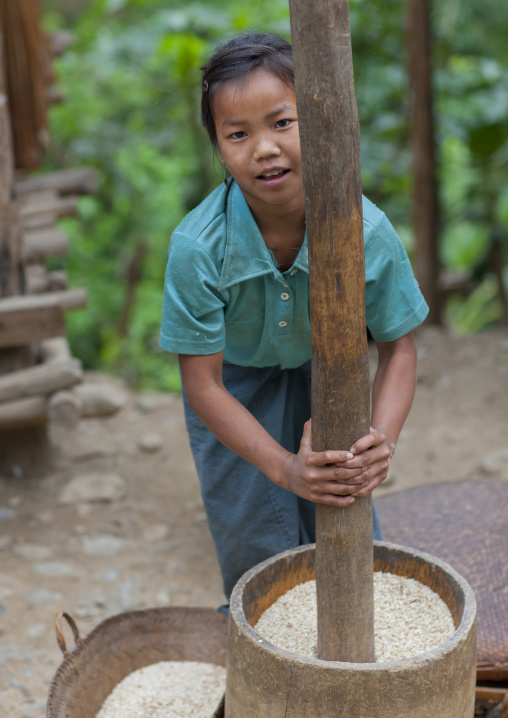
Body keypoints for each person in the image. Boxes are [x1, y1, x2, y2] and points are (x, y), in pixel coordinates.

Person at [160, 32, 429, 613]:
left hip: (329, 372)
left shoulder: (365, 231)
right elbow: (201, 384)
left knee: (344, 510)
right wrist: (283, 466)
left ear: (320, 120)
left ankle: (356, 668)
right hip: (234, 387)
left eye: (282, 122)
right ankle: (268, 669)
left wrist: (379, 440)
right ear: (219, 148)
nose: (263, 148)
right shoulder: (198, 248)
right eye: (238, 134)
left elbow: (399, 350)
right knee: (254, 546)